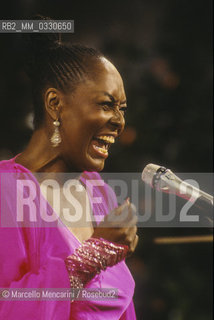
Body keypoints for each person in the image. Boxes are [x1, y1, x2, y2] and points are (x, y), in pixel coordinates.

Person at [0, 28, 139, 320]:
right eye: (106, 105)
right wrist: (91, 258)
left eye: (122, 109)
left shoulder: (99, 191)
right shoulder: (6, 192)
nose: (119, 122)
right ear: (55, 104)